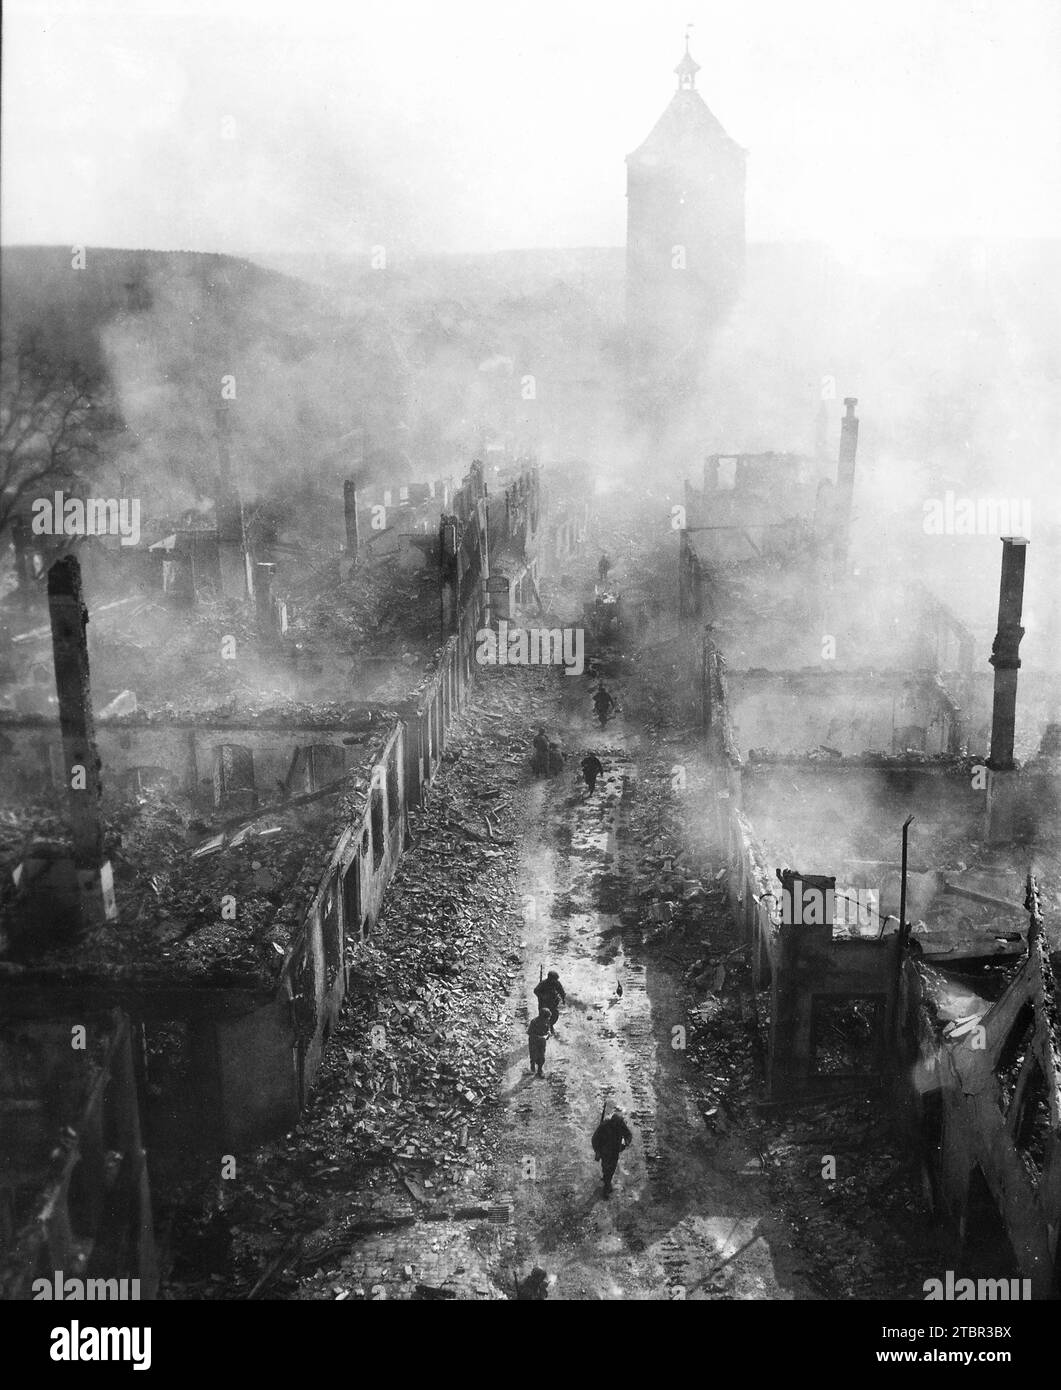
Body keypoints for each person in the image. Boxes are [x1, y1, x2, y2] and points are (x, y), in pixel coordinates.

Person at [592, 1106, 633, 1197]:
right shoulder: (604, 1125)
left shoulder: (620, 1124)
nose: (616, 1126)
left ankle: (606, 1185)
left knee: (611, 1169)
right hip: (605, 1151)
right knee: (606, 1167)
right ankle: (607, 1183)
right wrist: (597, 1151)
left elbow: (628, 1135)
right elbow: (595, 1139)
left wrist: (626, 1142)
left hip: (615, 1151)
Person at [534, 970, 566, 1034]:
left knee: (554, 1015)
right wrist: (542, 996)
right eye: (554, 979)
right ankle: (542, 1029)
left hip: (553, 1002)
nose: (555, 981)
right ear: (550, 978)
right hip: (544, 1003)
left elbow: (561, 991)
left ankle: (550, 1026)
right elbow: (536, 991)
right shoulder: (543, 983)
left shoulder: (557, 983)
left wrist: (563, 998)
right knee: (543, 1016)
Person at [527, 1006, 551, 1076]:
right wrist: (539, 1037)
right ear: (541, 1017)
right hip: (533, 1042)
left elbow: (548, 1027)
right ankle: (532, 1068)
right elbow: (529, 1033)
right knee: (533, 1056)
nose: (547, 1019)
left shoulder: (546, 1021)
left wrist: (548, 1032)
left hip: (542, 1042)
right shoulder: (534, 1022)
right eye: (546, 1018)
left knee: (542, 1056)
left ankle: (540, 1070)